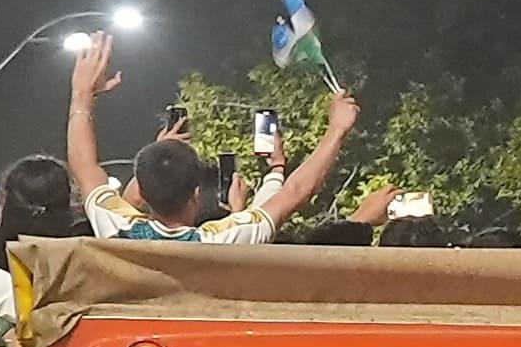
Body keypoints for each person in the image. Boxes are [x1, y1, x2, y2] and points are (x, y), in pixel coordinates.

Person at [65, 31, 360, 243]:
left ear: (140, 190)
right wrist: (337, 130)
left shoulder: (115, 226)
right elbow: (294, 192)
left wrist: (82, 94)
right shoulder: (224, 241)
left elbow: (84, 166)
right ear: (196, 193)